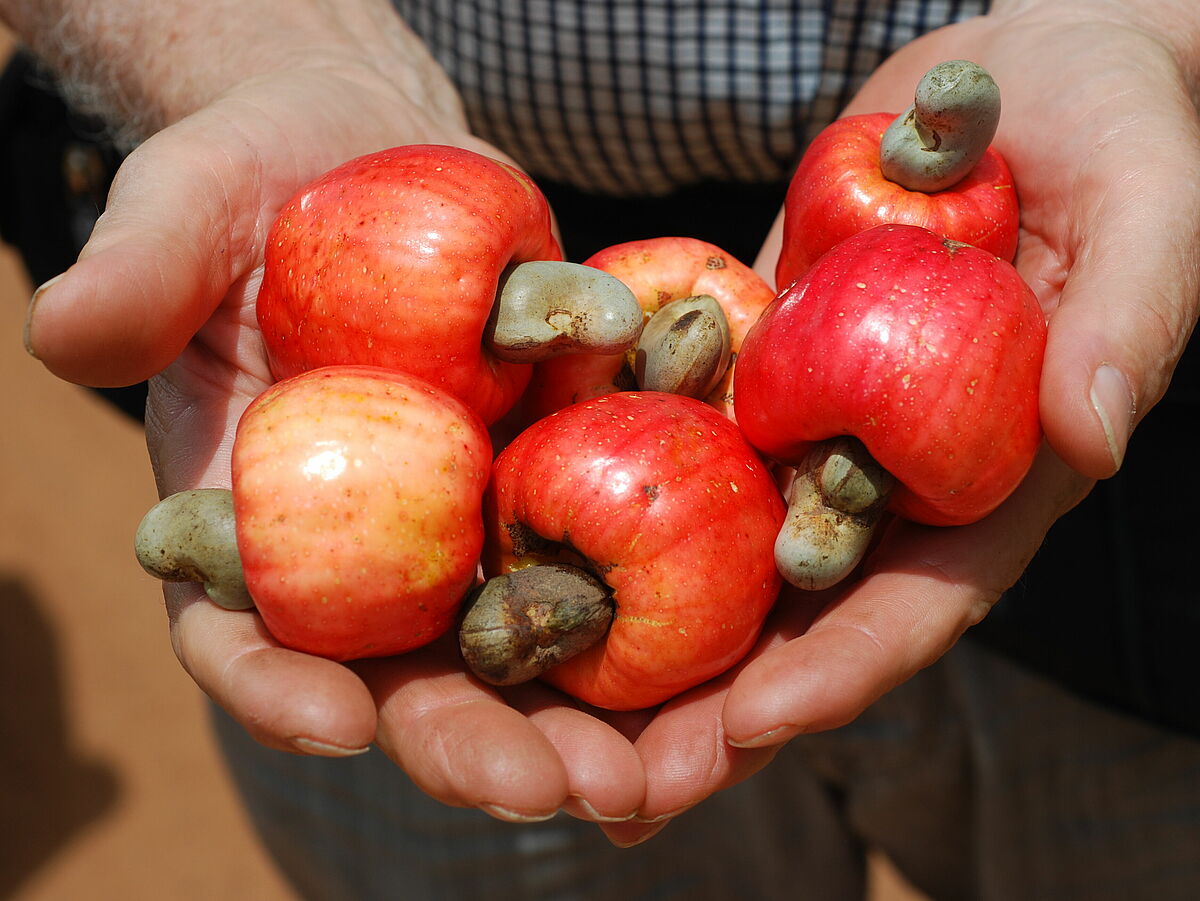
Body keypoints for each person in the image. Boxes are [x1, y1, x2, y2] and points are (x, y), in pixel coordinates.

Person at [4, 0, 1200, 897]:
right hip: (410, 204)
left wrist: (1143, 21)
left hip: (1054, 388)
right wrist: (258, 44)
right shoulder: (461, 462)